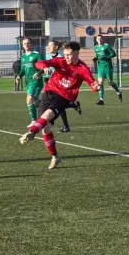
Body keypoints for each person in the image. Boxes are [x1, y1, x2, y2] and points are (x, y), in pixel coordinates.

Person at [19, 41, 100, 169]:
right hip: (49, 92)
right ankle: (55, 156)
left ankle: (31, 132)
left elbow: (91, 82)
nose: (66, 57)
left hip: (64, 97)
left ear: (77, 54)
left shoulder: (82, 68)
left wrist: (95, 87)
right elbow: (38, 63)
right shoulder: (60, 61)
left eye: (69, 55)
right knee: (46, 129)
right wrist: (44, 67)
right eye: (65, 54)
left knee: (47, 115)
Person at [45, 40, 82, 132]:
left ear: (56, 47)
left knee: (57, 105)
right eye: (48, 46)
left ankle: (64, 125)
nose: (48, 48)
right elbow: (46, 66)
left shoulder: (62, 58)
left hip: (61, 85)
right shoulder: (48, 56)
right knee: (53, 105)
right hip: (51, 83)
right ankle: (73, 105)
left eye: (50, 46)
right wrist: (41, 73)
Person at [16, 37, 44, 126]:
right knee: (34, 103)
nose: (26, 45)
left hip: (36, 82)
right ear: (22, 45)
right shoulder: (23, 57)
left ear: (31, 44)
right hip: (28, 82)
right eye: (24, 44)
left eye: (28, 43)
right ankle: (44, 105)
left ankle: (34, 121)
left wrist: (38, 73)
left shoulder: (37, 55)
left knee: (29, 100)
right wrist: (19, 76)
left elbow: (44, 67)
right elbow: (23, 69)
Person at [93, 35, 122, 105]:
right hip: (100, 67)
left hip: (108, 66)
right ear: (96, 40)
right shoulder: (96, 48)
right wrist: (95, 59)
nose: (99, 40)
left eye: (100, 38)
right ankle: (101, 100)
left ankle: (118, 92)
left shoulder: (106, 46)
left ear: (102, 39)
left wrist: (106, 57)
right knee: (100, 83)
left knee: (110, 83)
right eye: (98, 39)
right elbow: (97, 56)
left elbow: (113, 54)